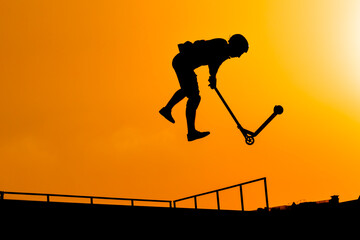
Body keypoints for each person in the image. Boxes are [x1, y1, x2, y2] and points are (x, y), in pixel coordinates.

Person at [160, 34, 249, 141]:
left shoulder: (224, 52)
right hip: (183, 63)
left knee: (187, 91)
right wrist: (212, 77)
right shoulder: (222, 45)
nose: (239, 56)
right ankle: (191, 131)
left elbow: (215, 63)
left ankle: (167, 109)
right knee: (194, 97)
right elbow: (213, 61)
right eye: (240, 52)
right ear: (236, 46)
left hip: (182, 63)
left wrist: (213, 77)